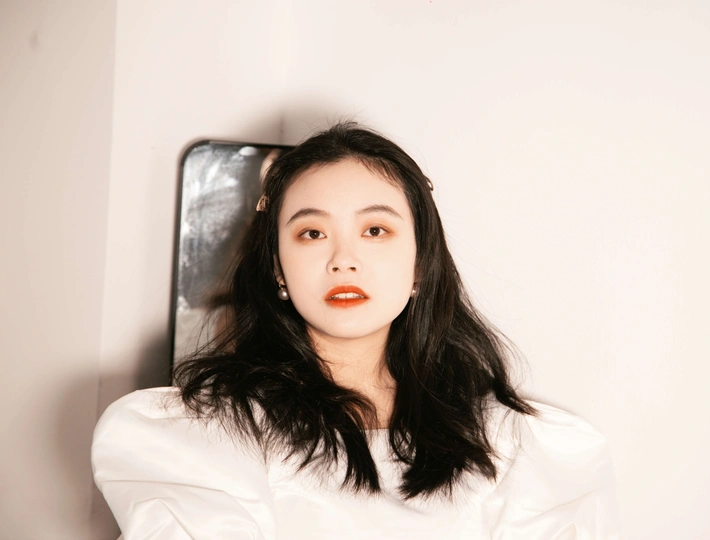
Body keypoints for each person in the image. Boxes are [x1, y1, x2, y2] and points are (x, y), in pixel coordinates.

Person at [92, 123, 621, 539]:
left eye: (375, 230)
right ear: (278, 270)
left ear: (420, 264)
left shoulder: (517, 448)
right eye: (312, 233)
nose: (343, 259)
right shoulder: (203, 437)